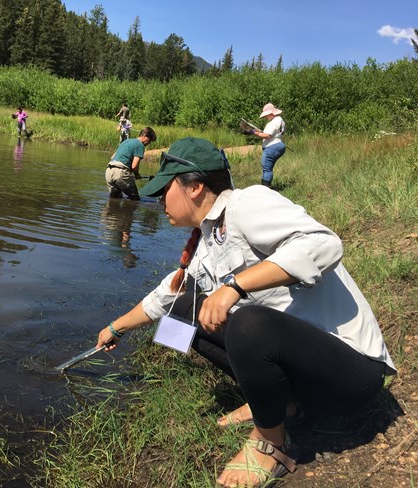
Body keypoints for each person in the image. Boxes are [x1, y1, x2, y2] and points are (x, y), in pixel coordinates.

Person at [95, 137, 396, 487]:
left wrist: (234, 287)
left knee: (249, 325)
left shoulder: (247, 204)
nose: (160, 201)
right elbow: (165, 297)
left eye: (166, 190)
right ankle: (277, 404)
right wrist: (115, 328)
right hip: (306, 372)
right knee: (181, 319)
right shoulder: (205, 242)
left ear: (194, 187)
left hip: (350, 375)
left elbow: (324, 244)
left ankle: (271, 444)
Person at [105, 127, 157, 200]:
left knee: (114, 199)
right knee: (135, 198)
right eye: (150, 140)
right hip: (120, 172)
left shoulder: (126, 141)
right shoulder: (140, 145)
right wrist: (137, 175)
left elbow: (112, 157)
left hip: (109, 171)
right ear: (145, 136)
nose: (149, 143)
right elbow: (134, 166)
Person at [251, 103, 286, 188]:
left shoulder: (275, 121)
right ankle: (266, 188)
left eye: (266, 115)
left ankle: (266, 189)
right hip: (278, 145)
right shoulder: (280, 120)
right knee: (268, 168)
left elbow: (267, 135)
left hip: (272, 147)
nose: (266, 118)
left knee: (267, 168)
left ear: (271, 113)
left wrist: (254, 132)